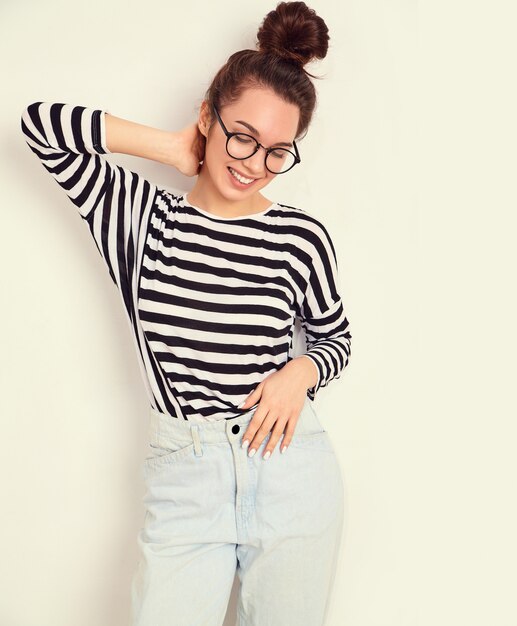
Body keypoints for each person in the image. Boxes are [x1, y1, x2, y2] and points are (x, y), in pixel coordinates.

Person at [21, 2, 352, 624]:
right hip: (187, 475)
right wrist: (175, 149)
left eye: (278, 150)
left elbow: (336, 339)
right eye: (241, 136)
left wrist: (298, 375)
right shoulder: (141, 218)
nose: (253, 163)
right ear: (209, 114)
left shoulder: (299, 237)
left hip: (291, 469)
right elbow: (41, 125)